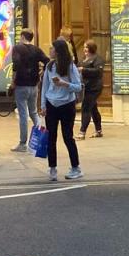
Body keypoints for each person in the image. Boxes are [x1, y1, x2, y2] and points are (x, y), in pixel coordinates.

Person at [39, 38, 83, 181]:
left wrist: (65, 84)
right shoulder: (49, 66)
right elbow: (45, 86)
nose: (50, 50)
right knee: (51, 137)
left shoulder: (70, 67)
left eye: (52, 48)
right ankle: (52, 168)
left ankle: (76, 167)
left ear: (58, 51)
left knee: (67, 136)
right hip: (52, 104)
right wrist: (43, 105)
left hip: (66, 105)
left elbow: (78, 86)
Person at [10, 29, 48, 152]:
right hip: (34, 85)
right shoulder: (36, 49)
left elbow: (15, 64)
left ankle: (22, 143)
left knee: (23, 114)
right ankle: (40, 138)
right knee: (33, 112)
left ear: (22, 36)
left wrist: (13, 81)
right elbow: (47, 60)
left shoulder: (17, 48)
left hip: (21, 85)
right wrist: (41, 73)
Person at [78, 39, 104, 139]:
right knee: (93, 108)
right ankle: (99, 130)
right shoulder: (83, 59)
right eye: (84, 47)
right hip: (86, 87)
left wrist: (84, 70)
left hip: (94, 87)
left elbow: (98, 71)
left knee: (86, 108)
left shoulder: (97, 59)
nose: (85, 49)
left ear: (91, 48)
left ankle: (82, 132)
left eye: (86, 47)